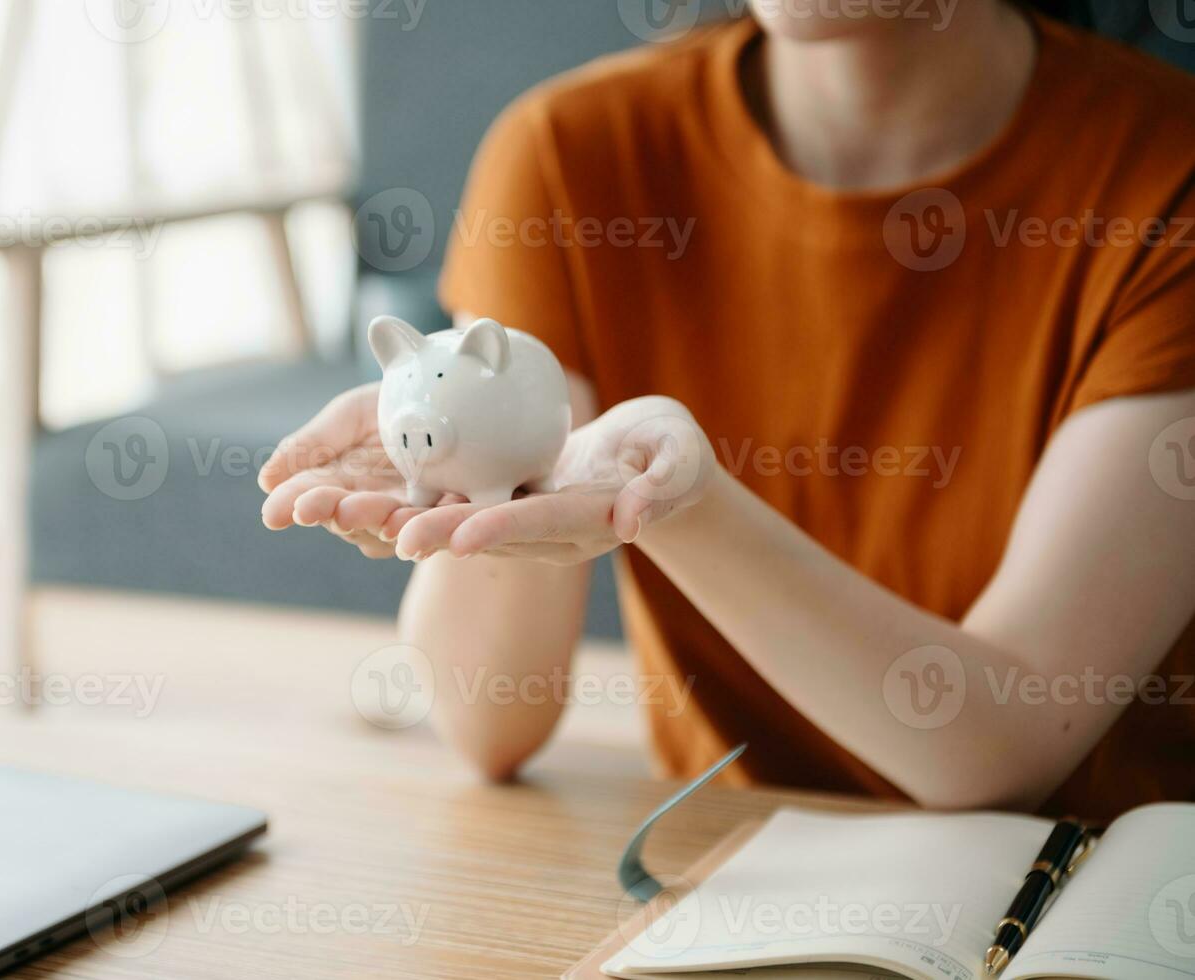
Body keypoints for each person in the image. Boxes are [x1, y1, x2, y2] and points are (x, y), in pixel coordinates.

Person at [259, 0, 1195, 819]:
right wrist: (481, 478)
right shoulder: (571, 152)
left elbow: (1002, 752)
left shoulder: (1166, 175)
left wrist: (684, 503)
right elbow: (488, 722)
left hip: (1077, 905)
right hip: (720, 887)